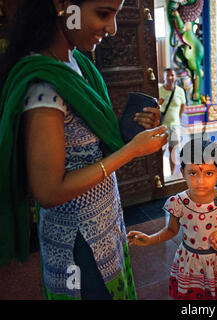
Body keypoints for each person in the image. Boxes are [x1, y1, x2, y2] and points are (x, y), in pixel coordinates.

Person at [0, 0, 168, 300]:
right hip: (77, 239)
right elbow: (48, 192)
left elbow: (88, 143)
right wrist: (130, 152)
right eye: (103, 14)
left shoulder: (77, 64)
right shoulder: (44, 89)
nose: (112, 29)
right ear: (64, 5)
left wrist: (134, 131)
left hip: (103, 220)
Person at [128, 139, 217, 300]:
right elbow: (171, 230)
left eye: (208, 173)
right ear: (183, 172)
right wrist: (150, 239)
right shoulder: (178, 203)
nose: (200, 181)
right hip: (191, 264)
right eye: (193, 173)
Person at [158, 68, 186, 174]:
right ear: (164, 77)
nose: (170, 78)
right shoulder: (159, 91)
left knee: (173, 150)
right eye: (168, 75)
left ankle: (172, 173)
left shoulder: (180, 91)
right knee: (161, 150)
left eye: (173, 75)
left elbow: (182, 106)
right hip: (162, 126)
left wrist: (177, 118)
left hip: (175, 125)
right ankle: (160, 174)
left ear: (175, 77)